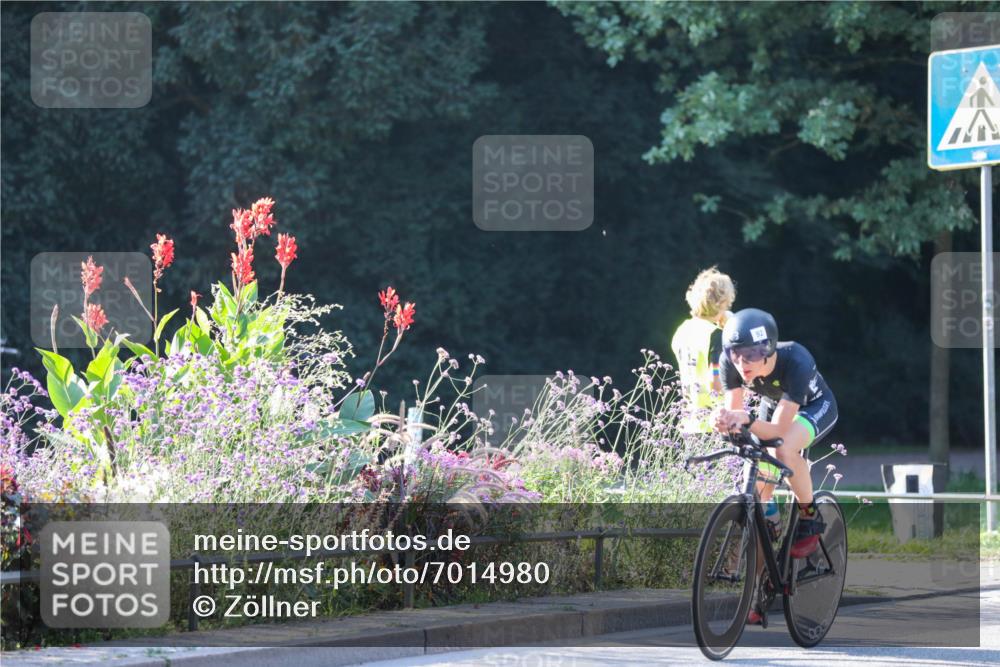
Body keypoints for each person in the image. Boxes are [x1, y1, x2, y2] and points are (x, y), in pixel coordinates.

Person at [712, 308, 838, 621]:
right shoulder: (730, 362)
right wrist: (727, 423)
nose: (743, 364)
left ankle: (810, 515)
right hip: (775, 404)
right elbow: (737, 416)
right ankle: (767, 540)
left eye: (751, 356)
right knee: (754, 481)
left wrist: (746, 420)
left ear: (768, 350)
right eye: (736, 355)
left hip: (814, 406)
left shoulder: (796, 359)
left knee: (784, 451)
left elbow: (780, 432)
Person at [670, 267, 735, 435]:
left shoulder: (682, 330)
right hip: (716, 424)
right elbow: (717, 383)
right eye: (728, 303)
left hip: (690, 422)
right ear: (721, 303)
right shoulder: (715, 335)